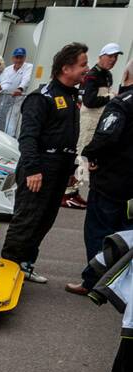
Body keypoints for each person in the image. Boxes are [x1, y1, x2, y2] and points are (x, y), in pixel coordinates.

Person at [0, 43, 88, 285]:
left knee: (44, 220)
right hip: (39, 169)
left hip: (60, 169)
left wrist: (71, 169)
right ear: (66, 68)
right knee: (27, 219)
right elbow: (28, 137)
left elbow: (67, 135)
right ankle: (7, 268)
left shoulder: (72, 97)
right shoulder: (41, 97)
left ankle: (26, 264)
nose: (86, 69)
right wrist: (33, 169)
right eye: (83, 65)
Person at [66, 85, 133, 295]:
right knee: (127, 233)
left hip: (112, 180)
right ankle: (121, 283)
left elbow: (107, 136)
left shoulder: (122, 103)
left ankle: (94, 281)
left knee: (99, 231)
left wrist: (88, 155)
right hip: (128, 185)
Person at [74, 43, 123, 202]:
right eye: (110, 56)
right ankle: (71, 191)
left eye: (115, 57)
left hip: (100, 120)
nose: (113, 60)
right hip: (89, 120)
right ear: (101, 56)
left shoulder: (108, 75)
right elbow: (89, 101)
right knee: (83, 154)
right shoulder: (92, 75)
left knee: (94, 156)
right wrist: (110, 97)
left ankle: (82, 191)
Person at [0, 47, 34, 134]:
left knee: (12, 121)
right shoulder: (7, 69)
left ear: (24, 58)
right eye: (17, 57)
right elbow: (4, 82)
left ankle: (11, 139)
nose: (18, 60)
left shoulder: (29, 67)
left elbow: (27, 79)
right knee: (1, 120)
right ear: (13, 58)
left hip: (18, 100)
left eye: (21, 57)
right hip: (6, 98)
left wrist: (20, 88)